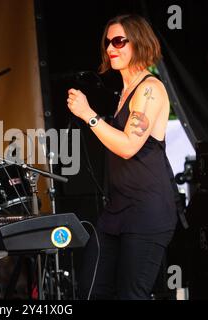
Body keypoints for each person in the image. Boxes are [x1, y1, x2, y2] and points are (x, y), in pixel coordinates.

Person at [67, 14, 178, 300]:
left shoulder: (150, 89)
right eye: (108, 42)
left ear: (138, 43)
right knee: (91, 289)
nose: (110, 48)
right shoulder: (125, 91)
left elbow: (129, 146)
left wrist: (88, 114)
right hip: (117, 211)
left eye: (118, 41)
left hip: (147, 211)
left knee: (131, 295)